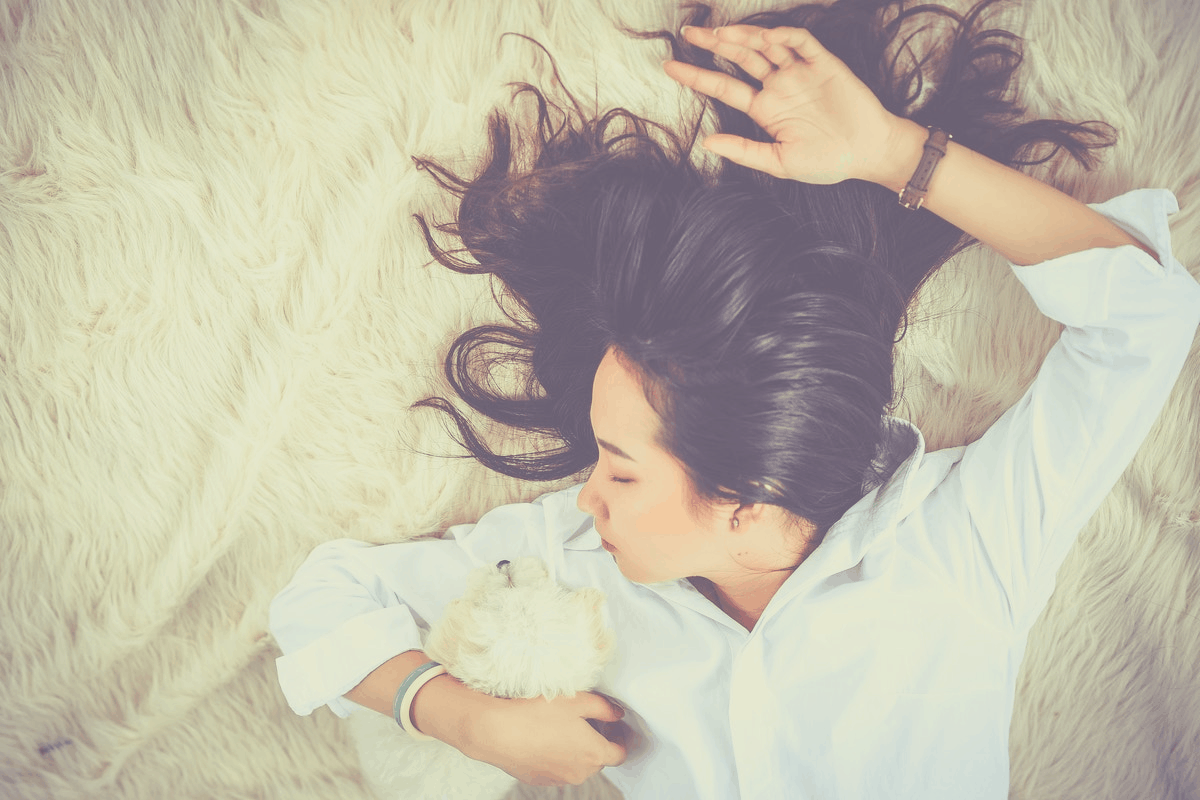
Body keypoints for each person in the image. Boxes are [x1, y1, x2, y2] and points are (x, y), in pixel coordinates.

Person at [268, 1, 1200, 798]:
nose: (586, 499)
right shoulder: (582, 565)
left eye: (621, 472)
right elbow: (326, 594)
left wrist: (891, 152)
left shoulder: (964, 543)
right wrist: (463, 719)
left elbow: (1145, 316)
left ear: (750, 505)